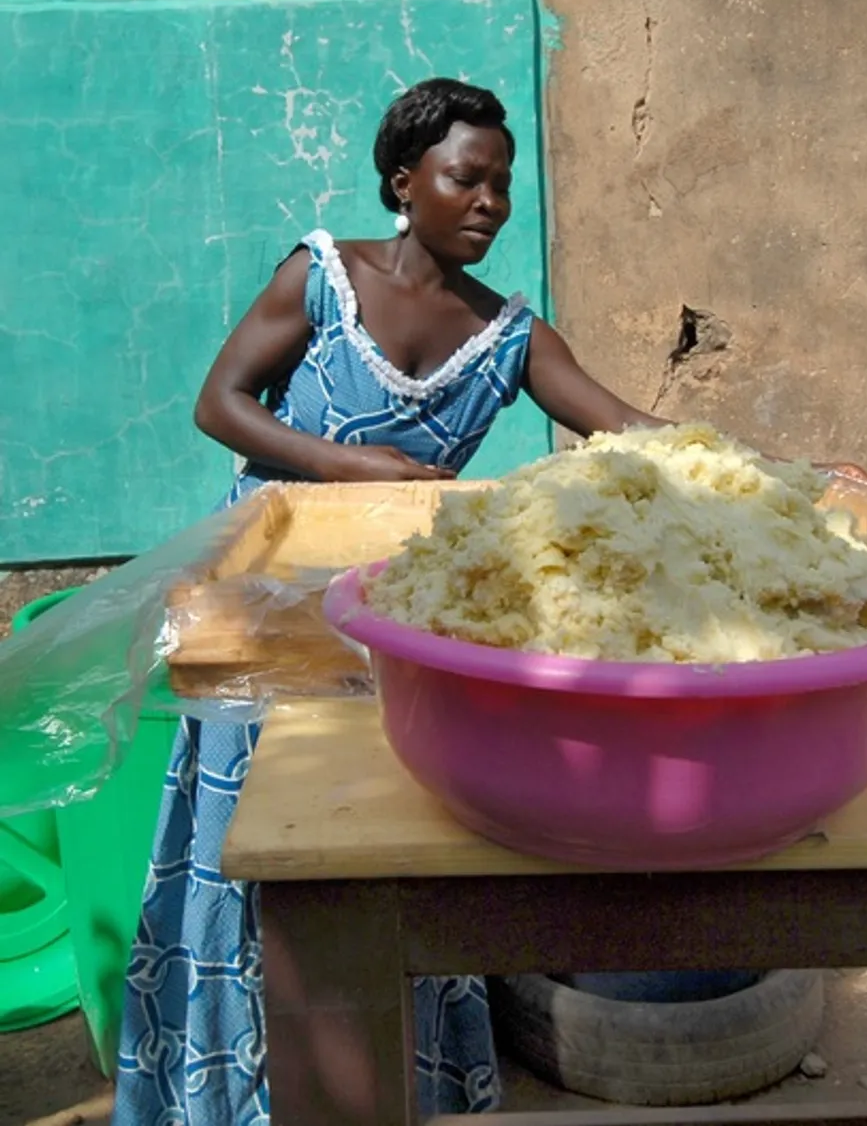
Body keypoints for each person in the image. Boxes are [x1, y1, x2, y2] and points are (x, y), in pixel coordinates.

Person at [112, 78, 666, 1126]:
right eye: (467, 177)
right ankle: (231, 1093)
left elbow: (628, 423)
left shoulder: (505, 334)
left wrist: (780, 470)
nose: (490, 201)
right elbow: (218, 403)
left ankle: (388, 1087)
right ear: (402, 183)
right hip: (263, 609)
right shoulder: (323, 276)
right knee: (252, 841)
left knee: (376, 840)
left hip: (391, 623)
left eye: (502, 184)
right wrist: (341, 464)